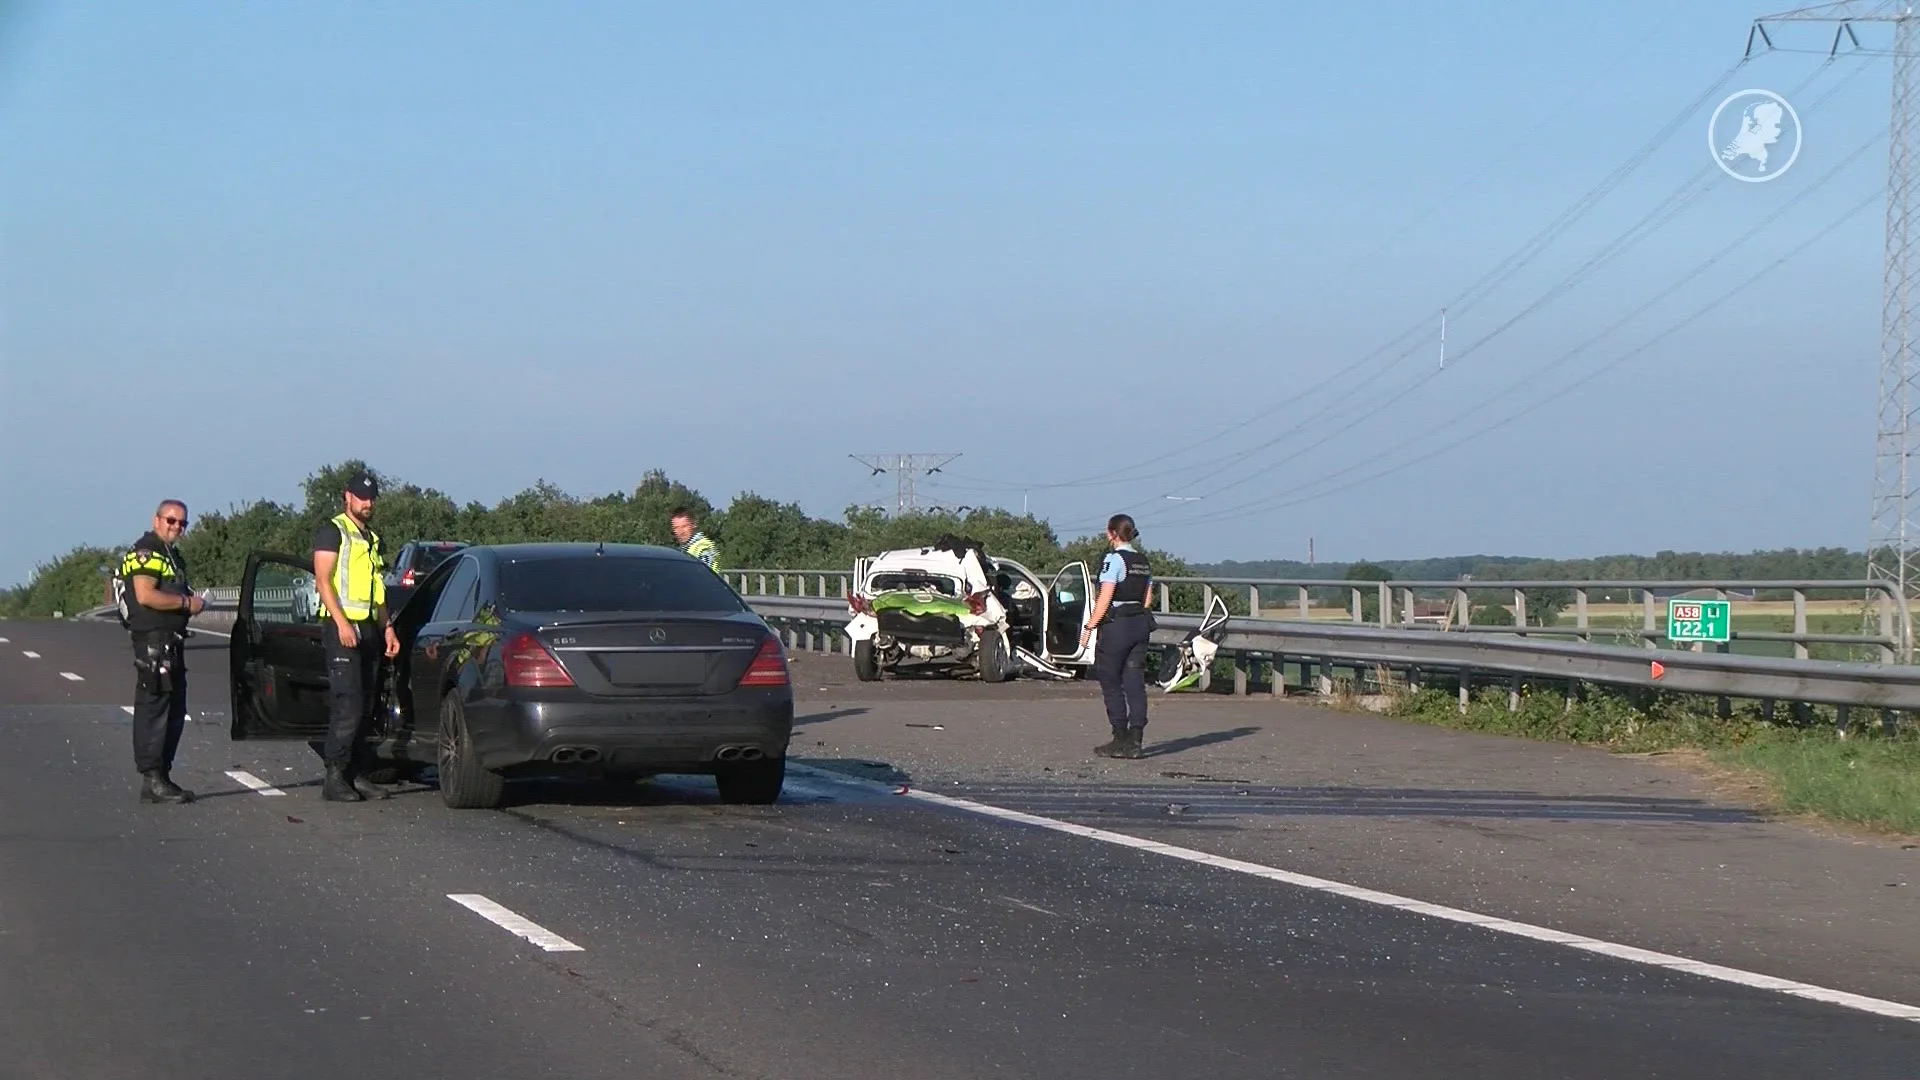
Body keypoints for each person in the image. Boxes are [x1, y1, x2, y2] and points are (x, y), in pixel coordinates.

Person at [312, 472, 401, 802]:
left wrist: (387, 627)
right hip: (342, 627)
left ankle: (357, 773)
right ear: (347, 496)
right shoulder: (333, 531)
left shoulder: (371, 538)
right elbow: (324, 581)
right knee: (347, 703)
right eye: (362, 497)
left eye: (372, 497)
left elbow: (377, 590)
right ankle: (334, 776)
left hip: (368, 627)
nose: (368, 503)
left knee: (366, 703)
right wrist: (342, 624)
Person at [121, 500, 206, 803]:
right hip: (154, 642)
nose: (176, 527)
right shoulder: (147, 551)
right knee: (155, 708)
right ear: (156, 519)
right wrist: (186, 604)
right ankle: (153, 778)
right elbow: (145, 595)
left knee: (173, 710)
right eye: (171, 520)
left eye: (182, 523)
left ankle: (162, 776)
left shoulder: (171, 554)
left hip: (170, 640)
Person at [1083, 513, 1156, 759]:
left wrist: (1090, 626)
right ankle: (1136, 740)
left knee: (1110, 680)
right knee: (1135, 682)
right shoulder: (1143, 561)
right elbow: (1147, 598)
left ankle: (1119, 737)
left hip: (1118, 626)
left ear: (1112, 533)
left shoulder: (1113, 560)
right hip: (1140, 624)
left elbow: (1105, 597)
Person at [670, 507, 721, 572]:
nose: (680, 532)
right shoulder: (686, 548)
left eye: (684, 526)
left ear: (694, 524)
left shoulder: (703, 547)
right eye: (676, 528)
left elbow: (703, 576)